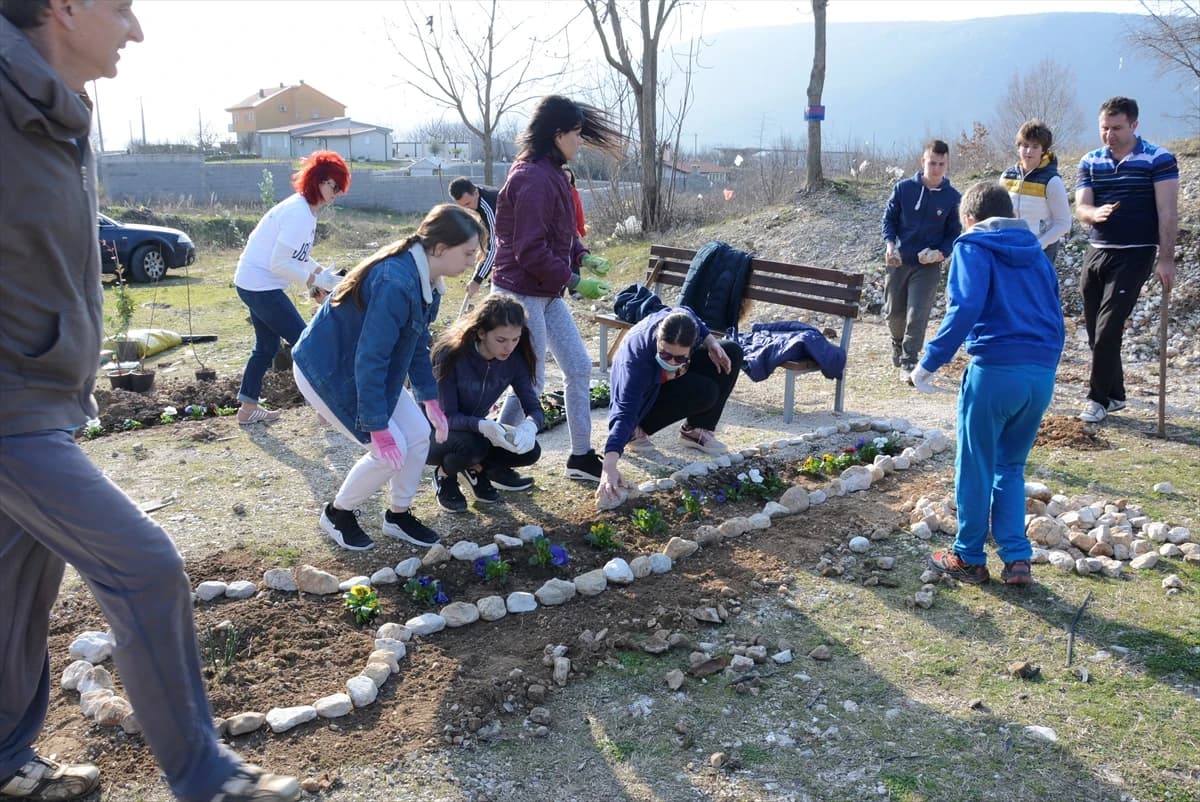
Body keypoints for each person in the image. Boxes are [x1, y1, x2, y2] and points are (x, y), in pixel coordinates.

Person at [0, 2, 299, 800]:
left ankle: (2, 759)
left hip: (46, 394)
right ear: (64, 8)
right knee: (143, 566)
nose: (137, 30)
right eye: (123, 8)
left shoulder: (55, 108)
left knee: (17, 580)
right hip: (9, 409)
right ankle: (204, 776)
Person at [292, 204, 481, 551]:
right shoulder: (396, 281)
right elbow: (372, 358)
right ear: (440, 249)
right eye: (468, 253)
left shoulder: (428, 280)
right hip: (327, 370)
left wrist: (429, 398)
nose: (472, 262)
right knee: (388, 451)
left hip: (364, 367)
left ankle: (398, 515)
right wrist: (376, 426)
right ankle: (338, 513)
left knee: (419, 435)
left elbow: (416, 344)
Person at [911, 181, 1065, 587]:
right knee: (1010, 466)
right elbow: (1055, 311)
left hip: (995, 371)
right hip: (1040, 375)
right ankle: (1017, 558)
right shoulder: (1036, 251)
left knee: (975, 465)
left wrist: (928, 363)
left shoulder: (971, 246)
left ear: (968, 218)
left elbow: (966, 307)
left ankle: (968, 557)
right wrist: (1045, 365)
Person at [490, 95, 623, 483]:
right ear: (557, 134)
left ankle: (580, 456)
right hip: (520, 291)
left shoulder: (553, 174)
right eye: (577, 135)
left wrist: (581, 256)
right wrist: (575, 280)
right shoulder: (531, 178)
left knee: (579, 367)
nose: (580, 142)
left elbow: (557, 234)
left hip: (545, 290)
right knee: (530, 379)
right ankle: (495, 458)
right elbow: (529, 250)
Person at [1073, 96, 1179, 424]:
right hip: (1098, 249)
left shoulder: (1158, 159)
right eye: (1104, 128)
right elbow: (1082, 208)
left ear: (1134, 125)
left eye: (1117, 128)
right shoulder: (1090, 161)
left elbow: (1167, 212)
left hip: (1136, 252)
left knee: (1108, 327)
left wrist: (1166, 259)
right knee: (1094, 329)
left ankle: (1096, 399)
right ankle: (1116, 393)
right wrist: (1095, 213)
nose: (1109, 134)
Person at [233, 150, 349, 425]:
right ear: (318, 180)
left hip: (253, 283)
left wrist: (324, 273)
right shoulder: (298, 213)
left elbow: (299, 256)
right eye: (333, 185)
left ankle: (247, 409)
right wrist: (316, 281)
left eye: (339, 188)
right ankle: (326, 411)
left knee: (266, 346)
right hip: (261, 284)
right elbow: (278, 264)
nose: (336, 193)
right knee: (307, 343)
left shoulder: (306, 211)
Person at [597, 308, 743, 505]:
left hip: (664, 376)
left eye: (680, 358)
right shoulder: (636, 363)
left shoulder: (684, 323)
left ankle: (697, 429)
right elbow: (623, 412)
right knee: (705, 392)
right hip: (642, 397)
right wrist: (609, 466)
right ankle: (636, 430)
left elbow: (691, 315)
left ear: (691, 346)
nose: (672, 361)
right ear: (658, 337)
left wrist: (711, 343)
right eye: (666, 355)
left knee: (730, 351)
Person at [427, 295, 544, 512]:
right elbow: (447, 416)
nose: (509, 347)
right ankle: (445, 474)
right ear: (481, 333)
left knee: (529, 450)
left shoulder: (515, 359)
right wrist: (482, 426)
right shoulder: (451, 354)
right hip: (434, 432)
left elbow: (534, 408)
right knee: (473, 446)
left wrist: (530, 426)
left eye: (515, 339)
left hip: (473, 430)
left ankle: (478, 469)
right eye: (501, 340)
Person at [881, 139, 962, 374]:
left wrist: (941, 253)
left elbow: (953, 233)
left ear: (947, 164)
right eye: (932, 163)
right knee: (894, 313)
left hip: (928, 265)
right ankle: (897, 342)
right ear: (922, 161)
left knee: (918, 312)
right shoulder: (904, 189)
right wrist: (890, 245)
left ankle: (910, 359)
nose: (935, 169)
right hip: (899, 260)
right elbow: (889, 220)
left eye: (941, 164)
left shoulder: (952, 197)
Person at [1000, 119, 1072, 263]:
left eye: (1035, 146)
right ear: (1018, 147)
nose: (1029, 151)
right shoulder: (1006, 177)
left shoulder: (1052, 181)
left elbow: (1063, 223)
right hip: (1011, 247)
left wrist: (1038, 245)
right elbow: (999, 214)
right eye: (1025, 145)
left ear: (1043, 150)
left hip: (1042, 250)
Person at [449, 176, 499, 312]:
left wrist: (477, 280)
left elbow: (495, 248)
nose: (467, 208)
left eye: (468, 204)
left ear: (475, 193)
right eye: (462, 206)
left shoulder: (490, 207)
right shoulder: (479, 197)